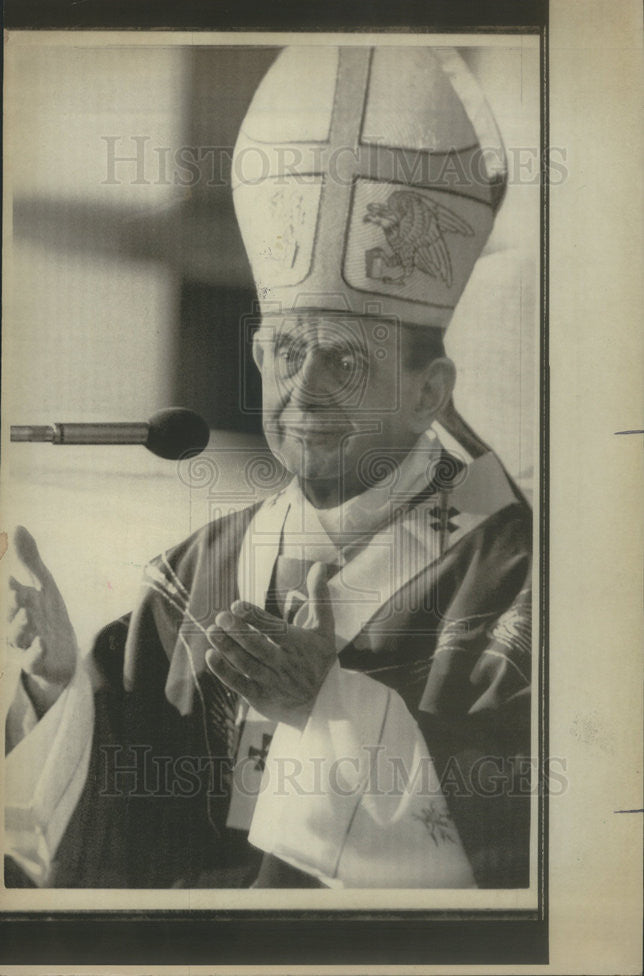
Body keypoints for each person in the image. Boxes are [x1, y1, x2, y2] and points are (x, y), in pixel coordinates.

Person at [5, 45, 532, 889]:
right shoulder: (199, 573)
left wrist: (331, 711)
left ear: (430, 391)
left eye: (347, 361)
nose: (303, 391)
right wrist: (60, 684)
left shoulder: (513, 575)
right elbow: (111, 845)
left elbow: (528, 833)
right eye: (285, 351)